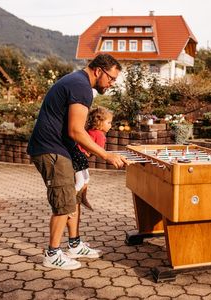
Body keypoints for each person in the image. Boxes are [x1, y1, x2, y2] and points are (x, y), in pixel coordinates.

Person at [27, 54, 129, 270]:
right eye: (111, 79)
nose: (111, 84)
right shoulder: (81, 86)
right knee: (63, 202)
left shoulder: (77, 82)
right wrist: (106, 155)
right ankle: (52, 254)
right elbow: (75, 130)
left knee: (73, 199)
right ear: (99, 71)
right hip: (51, 149)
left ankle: (74, 245)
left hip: (59, 147)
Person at [71, 106, 114, 211]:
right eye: (108, 123)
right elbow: (100, 152)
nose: (110, 125)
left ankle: (83, 198)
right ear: (99, 122)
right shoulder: (99, 135)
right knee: (80, 182)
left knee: (86, 179)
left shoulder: (91, 131)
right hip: (78, 157)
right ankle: (69, 203)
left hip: (78, 156)